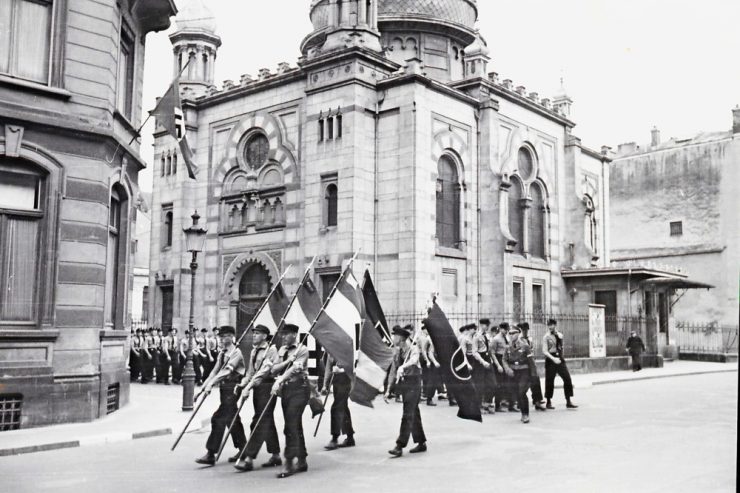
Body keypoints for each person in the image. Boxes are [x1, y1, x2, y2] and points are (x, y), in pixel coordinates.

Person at [195, 325, 247, 466]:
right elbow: (214, 371)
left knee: (218, 418)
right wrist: (203, 388)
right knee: (232, 418)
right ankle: (244, 448)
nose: (222, 339)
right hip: (224, 388)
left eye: (224, 337)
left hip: (233, 387)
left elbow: (226, 372)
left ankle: (211, 453)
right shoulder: (222, 353)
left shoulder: (236, 353)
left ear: (231, 337)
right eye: (220, 337)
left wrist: (212, 384)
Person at [233, 324, 282, 472]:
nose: (254, 335)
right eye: (253, 333)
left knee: (259, 421)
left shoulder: (271, 350)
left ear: (265, 336)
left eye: (258, 333)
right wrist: (242, 384)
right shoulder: (254, 351)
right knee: (267, 420)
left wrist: (248, 387)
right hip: (257, 389)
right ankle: (276, 455)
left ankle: (248, 458)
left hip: (268, 387)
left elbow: (264, 372)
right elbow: (250, 372)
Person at [270, 324, 310, 478]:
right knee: (294, 424)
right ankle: (302, 459)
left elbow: (295, 369)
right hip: (286, 391)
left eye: (286, 334)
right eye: (282, 334)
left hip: (299, 389)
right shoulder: (282, 350)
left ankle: (288, 461)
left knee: (291, 424)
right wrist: (285, 363)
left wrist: (279, 379)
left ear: (294, 334)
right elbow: (274, 369)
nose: (283, 337)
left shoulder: (302, 350)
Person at [385, 324, 426, 458]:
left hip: (414, 382)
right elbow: (393, 370)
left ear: (401, 338)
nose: (392, 338)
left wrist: (404, 366)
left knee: (407, 413)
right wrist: (388, 389)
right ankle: (421, 442)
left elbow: (414, 360)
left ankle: (399, 445)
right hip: (405, 384)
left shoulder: (413, 348)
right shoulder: (397, 351)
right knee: (413, 412)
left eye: (394, 336)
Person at [322, 353, 355, 450]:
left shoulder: (344, 349)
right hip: (336, 381)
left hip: (346, 380)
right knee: (343, 408)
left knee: (336, 408)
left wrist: (340, 370)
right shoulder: (329, 352)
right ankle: (350, 437)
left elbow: (351, 368)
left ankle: (334, 438)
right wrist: (325, 384)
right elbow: (328, 369)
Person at [543, 319, 578, 409]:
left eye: (552, 325)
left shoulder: (560, 335)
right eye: (549, 325)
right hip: (551, 359)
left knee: (567, 378)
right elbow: (545, 351)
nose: (550, 327)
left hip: (559, 358)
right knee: (550, 381)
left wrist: (561, 357)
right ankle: (548, 402)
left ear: (555, 325)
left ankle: (568, 400)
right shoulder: (546, 337)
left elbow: (562, 347)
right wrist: (553, 359)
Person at [502, 325, 534, 423]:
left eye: (514, 333)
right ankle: (522, 413)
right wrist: (507, 369)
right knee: (517, 393)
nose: (511, 335)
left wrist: (534, 375)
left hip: (524, 371)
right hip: (513, 373)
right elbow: (504, 359)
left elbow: (531, 361)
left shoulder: (525, 346)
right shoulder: (507, 347)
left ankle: (525, 414)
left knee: (522, 392)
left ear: (518, 333)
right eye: (510, 333)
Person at [519, 323, 546, 411]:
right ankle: (519, 402)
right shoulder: (518, 340)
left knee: (536, 381)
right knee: (523, 385)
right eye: (523, 330)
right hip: (522, 365)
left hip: (530, 363)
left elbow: (532, 352)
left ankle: (537, 401)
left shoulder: (529, 340)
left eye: (526, 330)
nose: (525, 332)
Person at [490, 322, 514, 412]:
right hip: (499, 360)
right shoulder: (496, 339)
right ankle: (497, 405)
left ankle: (506, 403)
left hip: (505, 360)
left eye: (507, 329)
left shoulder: (506, 338)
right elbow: (492, 353)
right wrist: (498, 365)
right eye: (504, 329)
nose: (506, 331)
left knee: (506, 383)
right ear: (500, 329)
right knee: (499, 384)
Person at [474, 319, 497, 413]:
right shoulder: (476, 336)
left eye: (487, 325)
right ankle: (479, 406)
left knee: (493, 383)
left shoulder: (487, 336)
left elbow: (490, 349)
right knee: (480, 385)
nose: (487, 327)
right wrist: (483, 362)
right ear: (480, 325)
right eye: (485, 325)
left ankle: (487, 402)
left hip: (488, 359)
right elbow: (475, 352)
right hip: (480, 361)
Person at [419, 323, 441, 406]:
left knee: (436, 380)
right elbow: (427, 352)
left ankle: (432, 396)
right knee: (432, 380)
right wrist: (431, 361)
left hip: (438, 360)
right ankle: (429, 398)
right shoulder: (429, 339)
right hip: (433, 361)